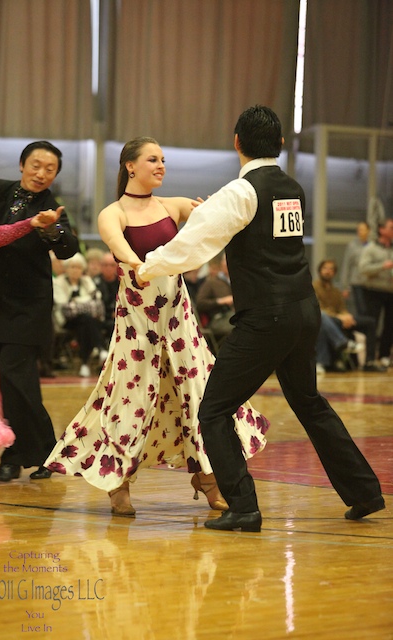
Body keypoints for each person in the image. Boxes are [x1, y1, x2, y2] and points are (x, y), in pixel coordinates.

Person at [138, 105, 385, 532]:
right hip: (304, 311)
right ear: (282, 145)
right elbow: (237, 226)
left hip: (267, 318)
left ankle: (244, 507)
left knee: (213, 410)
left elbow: (195, 245)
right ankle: (365, 491)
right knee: (309, 402)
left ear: (237, 142)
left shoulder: (240, 192)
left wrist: (146, 268)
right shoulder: (291, 187)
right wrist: (210, 213)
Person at [45, 136, 268, 517]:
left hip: (179, 317)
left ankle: (208, 476)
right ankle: (119, 481)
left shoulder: (172, 205)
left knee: (198, 392)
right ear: (130, 166)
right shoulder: (112, 212)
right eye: (153, 159)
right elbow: (121, 249)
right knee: (129, 397)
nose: (161, 165)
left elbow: (214, 216)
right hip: (137, 323)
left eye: (163, 159)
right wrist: (138, 266)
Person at [0, 141, 79, 482]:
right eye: (36, 165)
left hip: (28, 308)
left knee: (14, 378)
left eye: (50, 170)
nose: (41, 173)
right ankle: (32, 452)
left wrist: (51, 228)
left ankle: (24, 453)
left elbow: (68, 247)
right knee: (6, 384)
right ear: (22, 165)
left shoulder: (52, 207)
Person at [313, 259, 385, 372]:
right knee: (324, 319)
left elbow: (342, 307)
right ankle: (342, 343)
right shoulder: (314, 287)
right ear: (319, 270)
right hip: (327, 318)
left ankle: (369, 362)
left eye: (331, 269)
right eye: (325, 268)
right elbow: (318, 308)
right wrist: (339, 317)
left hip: (339, 318)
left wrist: (347, 316)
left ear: (334, 272)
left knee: (370, 322)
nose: (328, 271)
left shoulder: (336, 290)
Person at [53, 252, 107, 377]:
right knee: (87, 319)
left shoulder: (87, 281)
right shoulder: (58, 282)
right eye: (72, 267)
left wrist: (76, 303)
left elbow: (97, 301)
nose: (75, 270)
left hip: (84, 322)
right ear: (66, 268)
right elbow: (65, 307)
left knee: (85, 323)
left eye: (78, 267)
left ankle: (84, 364)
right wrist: (86, 302)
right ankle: (99, 349)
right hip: (66, 321)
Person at [358, 218, 393, 368]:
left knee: (390, 325)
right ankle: (370, 358)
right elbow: (363, 269)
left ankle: (385, 355)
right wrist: (382, 266)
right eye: (391, 227)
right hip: (373, 291)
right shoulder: (370, 248)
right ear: (382, 230)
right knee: (372, 324)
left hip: (390, 292)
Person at [196, 252, 234, 343]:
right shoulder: (211, 282)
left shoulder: (239, 281)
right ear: (221, 263)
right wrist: (220, 301)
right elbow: (200, 304)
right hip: (219, 319)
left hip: (237, 316)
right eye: (225, 261)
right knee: (240, 327)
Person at [340, 221, 370, 315]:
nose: (360, 232)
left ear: (368, 231)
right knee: (360, 309)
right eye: (358, 229)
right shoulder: (352, 246)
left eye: (362, 229)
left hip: (371, 283)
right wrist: (344, 286)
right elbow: (346, 265)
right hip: (357, 282)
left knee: (371, 310)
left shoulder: (373, 245)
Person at [92, 250, 120, 343]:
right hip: (99, 317)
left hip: (118, 316)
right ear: (101, 266)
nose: (108, 268)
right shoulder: (93, 282)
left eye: (112, 265)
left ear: (116, 267)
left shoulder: (122, 283)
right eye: (105, 265)